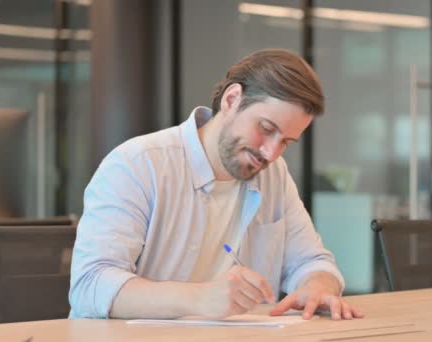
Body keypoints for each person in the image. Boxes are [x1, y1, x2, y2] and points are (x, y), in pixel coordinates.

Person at [69, 49, 363, 321]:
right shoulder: (137, 165)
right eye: (266, 129)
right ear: (232, 99)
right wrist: (198, 299)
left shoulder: (274, 175)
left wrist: (318, 286)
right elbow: (90, 285)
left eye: (285, 142)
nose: (271, 153)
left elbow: (313, 261)